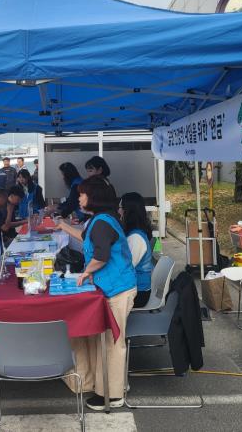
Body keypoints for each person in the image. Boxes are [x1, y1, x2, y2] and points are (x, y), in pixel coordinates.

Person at [55, 176, 136, 411]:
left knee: (113, 342)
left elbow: (101, 256)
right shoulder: (98, 220)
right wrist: (63, 226)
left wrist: (86, 272)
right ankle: (100, 384)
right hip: (109, 287)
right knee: (105, 339)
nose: (79, 198)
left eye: (82, 194)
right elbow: (85, 239)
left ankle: (113, 395)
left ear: (93, 197)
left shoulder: (101, 222)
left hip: (118, 289)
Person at [119, 192, 153, 308]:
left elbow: (126, 267)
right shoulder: (134, 234)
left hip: (138, 293)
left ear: (128, 210)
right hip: (133, 288)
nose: (118, 211)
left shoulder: (136, 238)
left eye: (120, 207)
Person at [0, 187, 25, 252]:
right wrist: (9, 212)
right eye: (5, 198)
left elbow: (4, 225)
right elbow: (5, 227)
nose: (6, 200)